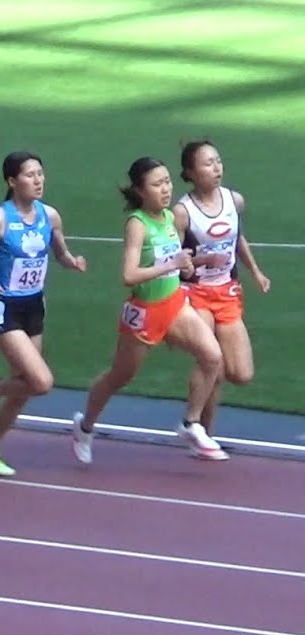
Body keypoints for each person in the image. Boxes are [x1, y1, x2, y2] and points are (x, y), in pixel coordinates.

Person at [71, 157, 226, 464]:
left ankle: (190, 424)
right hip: (144, 311)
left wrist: (199, 262)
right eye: (157, 184)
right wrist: (171, 264)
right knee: (120, 376)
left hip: (174, 304)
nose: (166, 189)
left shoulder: (169, 217)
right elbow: (128, 275)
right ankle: (84, 425)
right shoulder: (137, 224)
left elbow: (175, 267)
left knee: (212, 356)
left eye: (168, 181)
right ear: (140, 191)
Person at [0, 151, 86, 477]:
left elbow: (60, 253)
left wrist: (73, 262)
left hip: (33, 306)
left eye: (41, 173)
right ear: (12, 181)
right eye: (30, 175)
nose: (38, 180)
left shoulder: (49, 216)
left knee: (23, 388)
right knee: (40, 381)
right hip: (4, 308)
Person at [172, 139, 270, 434]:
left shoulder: (234, 200)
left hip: (227, 291)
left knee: (240, 373)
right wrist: (202, 259)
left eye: (218, 161)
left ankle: (199, 426)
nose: (216, 168)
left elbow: (237, 238)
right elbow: (176, 261)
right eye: (207, 163)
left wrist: (255, 271)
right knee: (209, 358)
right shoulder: (183, 212)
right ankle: (200, 431)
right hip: (195, 293)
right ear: (190, 172)